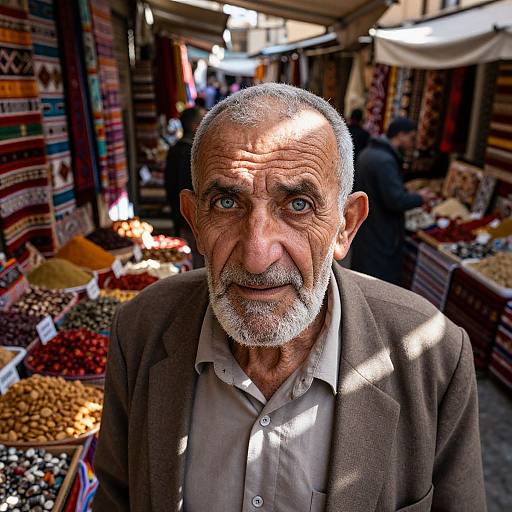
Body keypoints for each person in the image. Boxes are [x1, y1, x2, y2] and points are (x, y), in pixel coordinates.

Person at [93, 84, 486, 512]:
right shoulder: (141, 330)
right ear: (194, 221)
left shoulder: (433, 356)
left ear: (345, 227)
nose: (258, 256)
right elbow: (116, 496)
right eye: (226, 202)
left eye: (298, 204)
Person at [351, 117, 424, 284]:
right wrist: (421, 198)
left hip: (367, 228)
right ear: (400, 135)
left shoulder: (369, 153)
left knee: (363, 278)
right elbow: (396, 200)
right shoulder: (385, 161)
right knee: (376, 283)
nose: (413, 143)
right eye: (411, 138)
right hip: (380, 232)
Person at [164, 107, 203, 237]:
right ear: (195, 126)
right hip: (190, 218)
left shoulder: (175, 150)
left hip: (180, 214)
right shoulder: (191, 153)